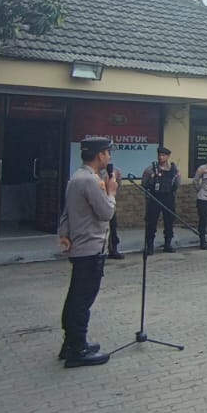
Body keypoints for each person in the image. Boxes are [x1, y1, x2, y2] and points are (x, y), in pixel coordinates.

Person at [56, 136, 117, 368]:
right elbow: (106, 213)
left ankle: (71, 342)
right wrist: (111, 192)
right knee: (82, 299)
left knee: (76, 297)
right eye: (108, 153)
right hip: (90, 247)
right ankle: (77, 350)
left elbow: (66, 212)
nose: (109, 157)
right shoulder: (90, 181)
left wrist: (64, 233)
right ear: (100, 155)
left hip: (81, 245)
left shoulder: (77, 176)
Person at [141, 146, 180, 254]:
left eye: (163, 155)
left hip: (168, 197)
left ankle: (168, 244)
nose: (160, 157)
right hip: (154, 197)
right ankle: (149, 246)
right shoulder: (150, 169)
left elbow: (177, 184)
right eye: (159, 155)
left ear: (168, 156)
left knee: (169, 221)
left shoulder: (174, 170)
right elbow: (144, 184)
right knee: (151, 222)